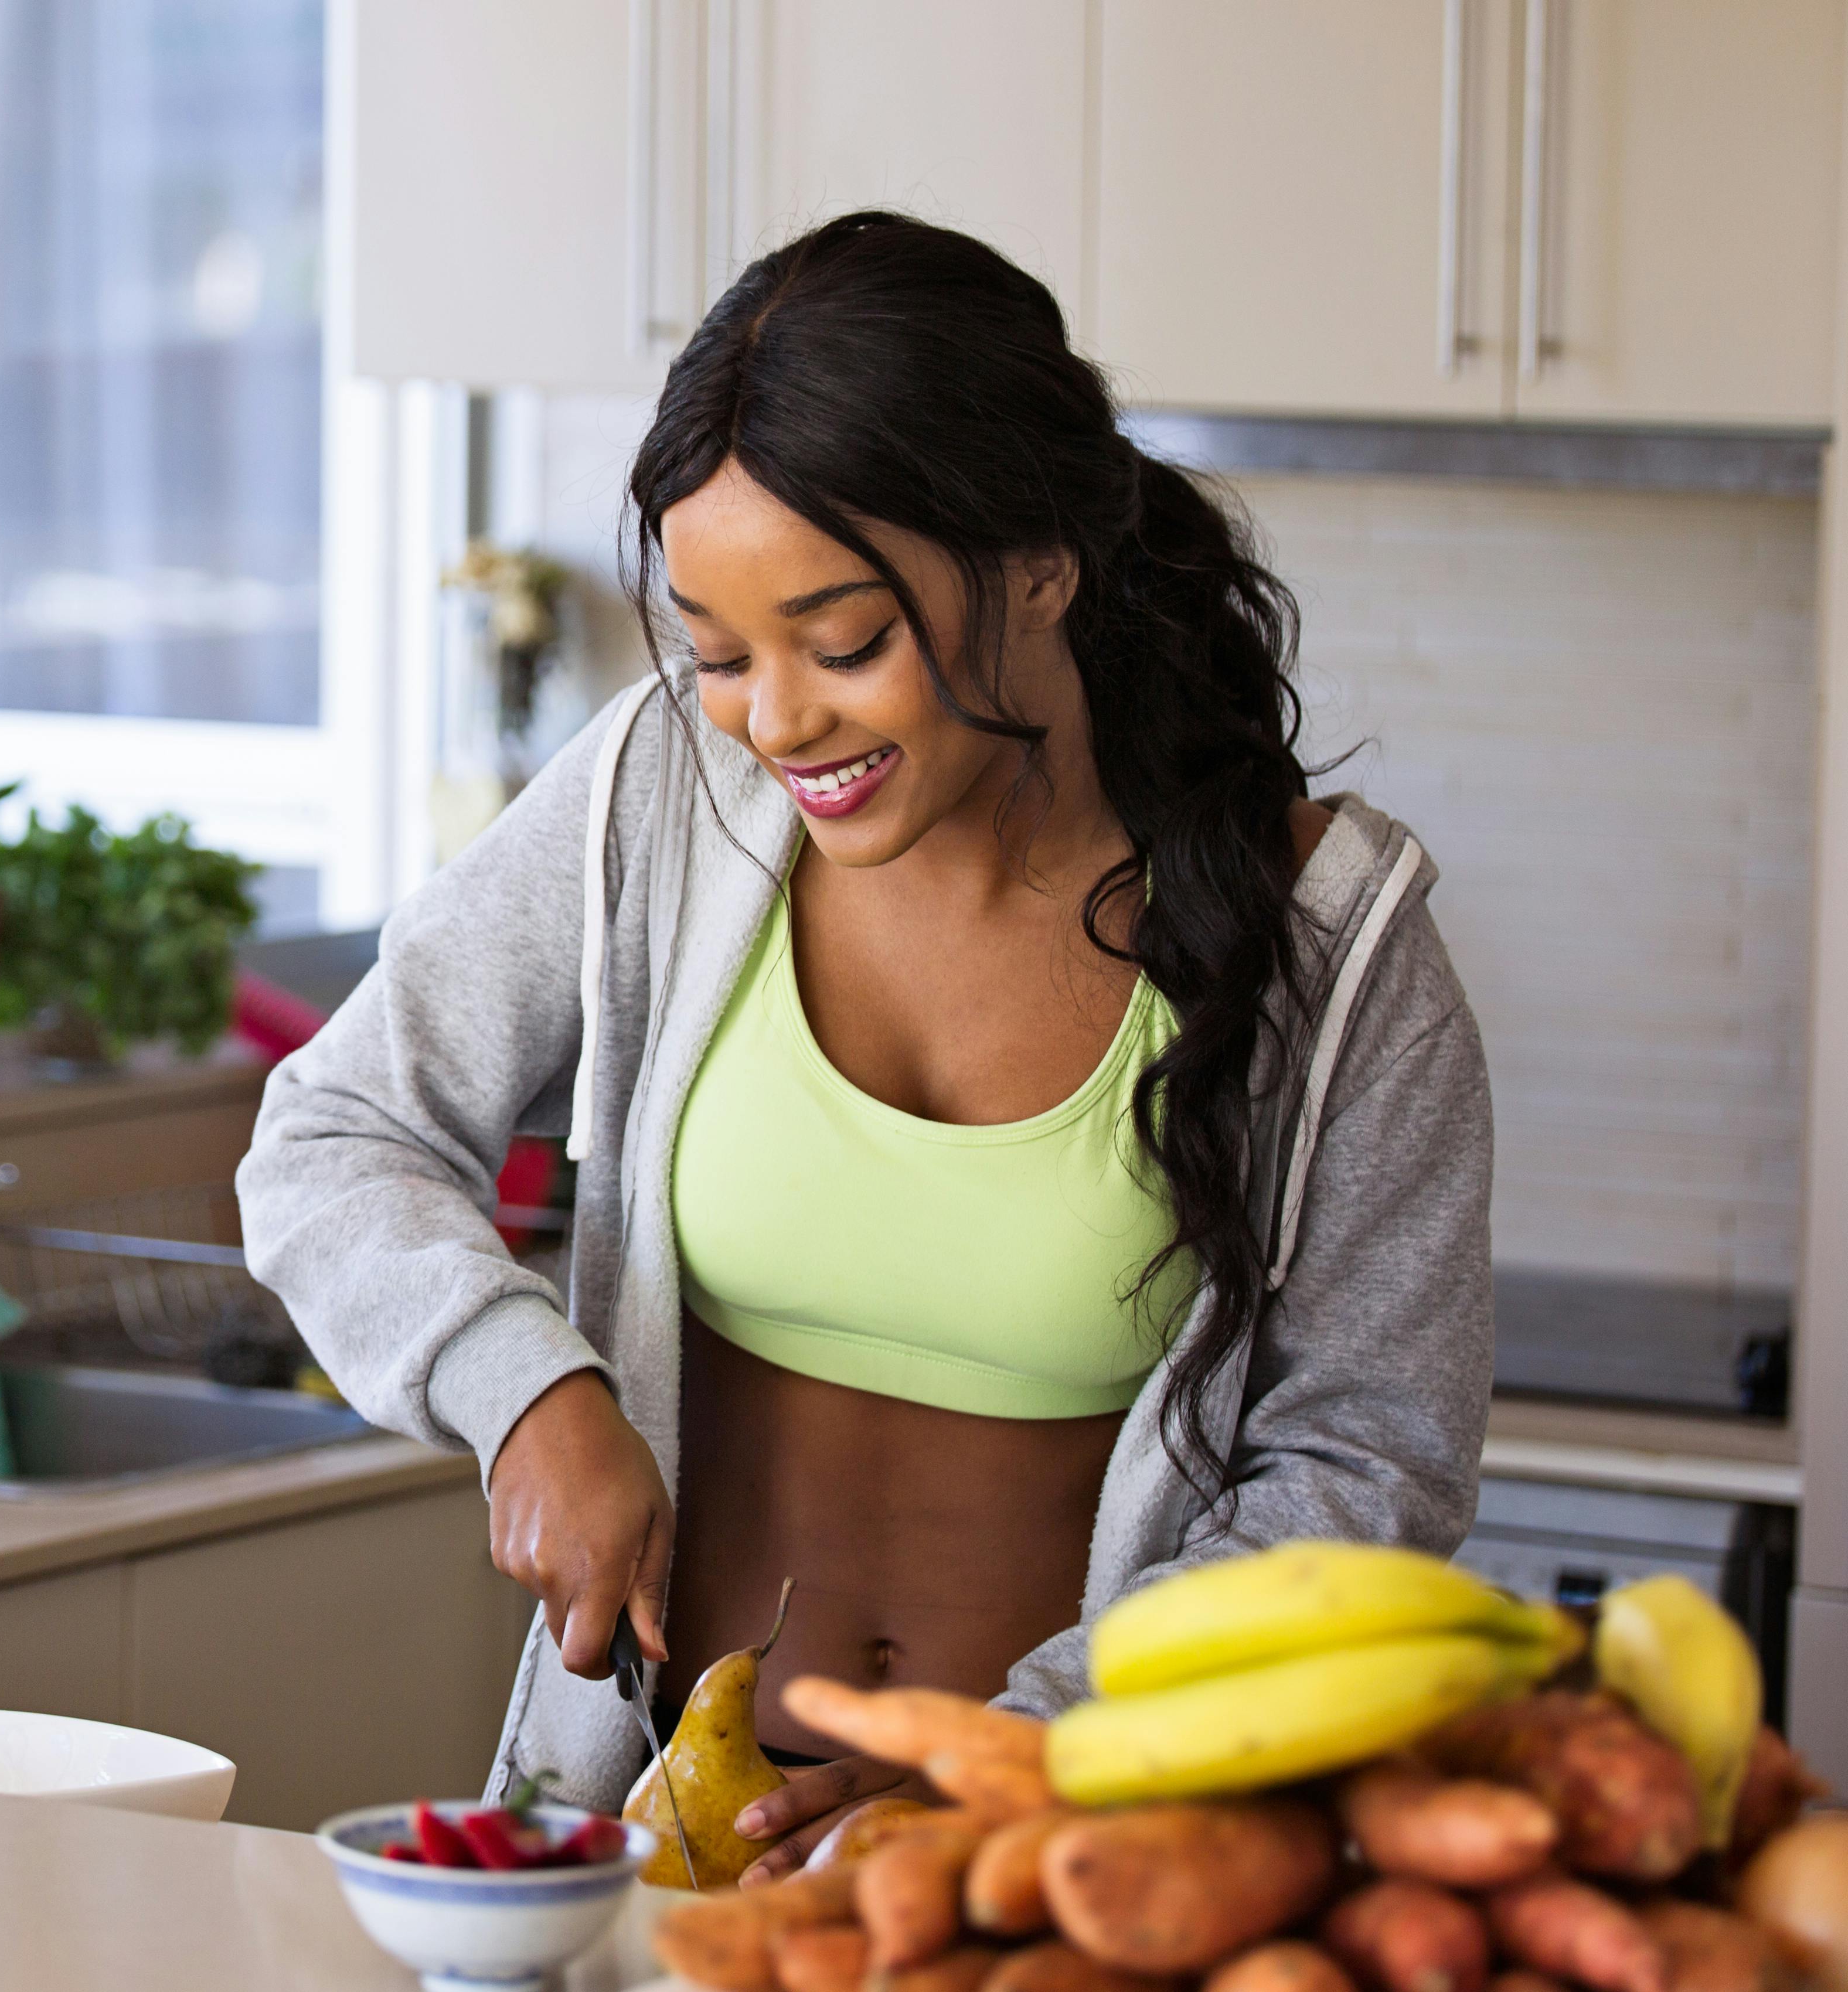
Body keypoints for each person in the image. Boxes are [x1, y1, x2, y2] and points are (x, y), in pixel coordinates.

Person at [236, 212, 1493, 1879]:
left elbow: (1362, 1476)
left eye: (842, 643)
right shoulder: (660, 796)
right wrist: (526, 1388)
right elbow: (333, 1133)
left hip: (1064, 1873)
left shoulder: (1328, 941)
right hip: (657, 1852)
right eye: (716, 653)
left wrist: (1014, 1768)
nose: (776, 722)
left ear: (1041, 565)